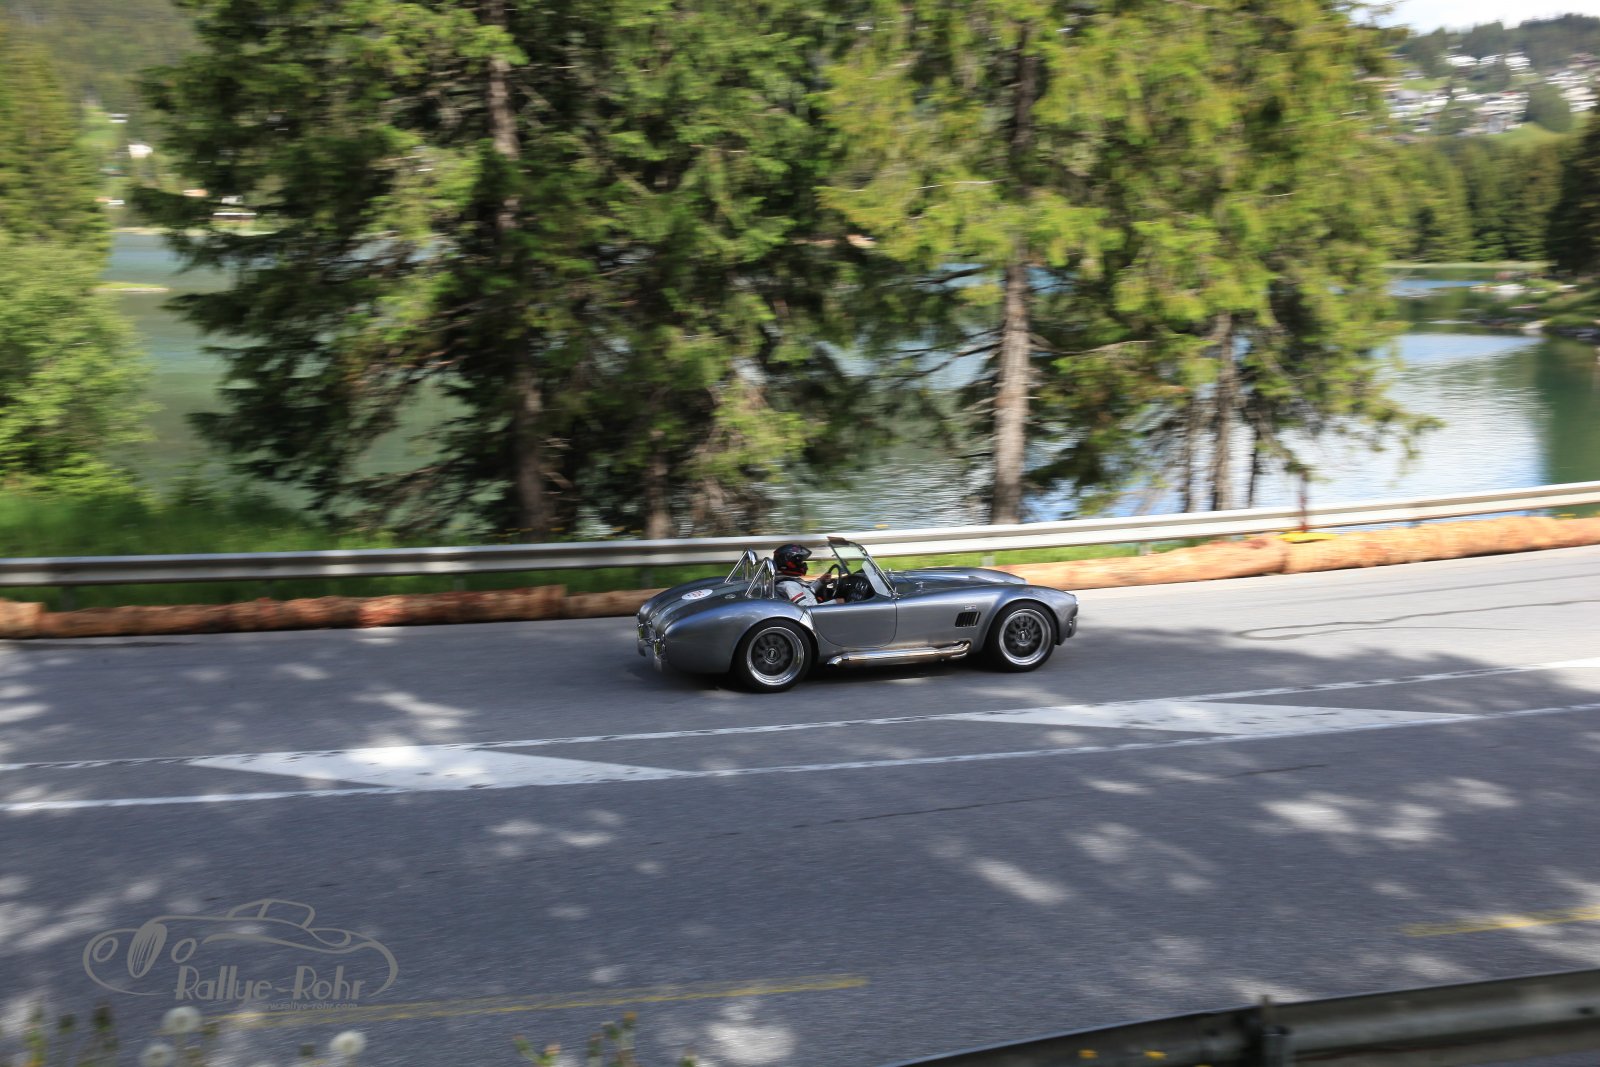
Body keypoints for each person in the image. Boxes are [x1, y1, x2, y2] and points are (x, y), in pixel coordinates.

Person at [772, 543, 843, 606]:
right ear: (790, 564)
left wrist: (820, 581)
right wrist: (836, 602)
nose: (804, 565)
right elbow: (808, 609)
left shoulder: (789, 580)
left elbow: (807, 591)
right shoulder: (790, 585)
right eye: (800, 562)